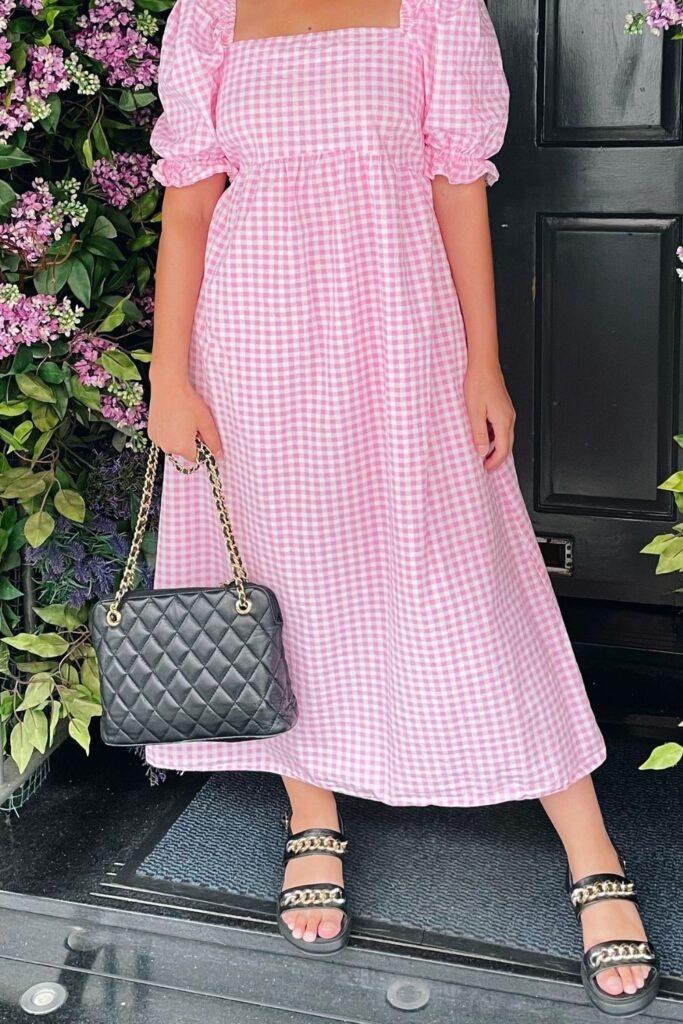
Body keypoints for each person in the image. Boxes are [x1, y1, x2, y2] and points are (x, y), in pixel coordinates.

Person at [145, 0, 660, 1013]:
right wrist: (168, 374)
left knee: (465, 581)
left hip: (401, 338)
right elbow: (190, 203)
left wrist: (483, 361)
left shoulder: (431, 7)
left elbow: (456, 187)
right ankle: (312, 817)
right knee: (279, 586)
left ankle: (589, 847)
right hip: (251, 346)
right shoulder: (208, 14)